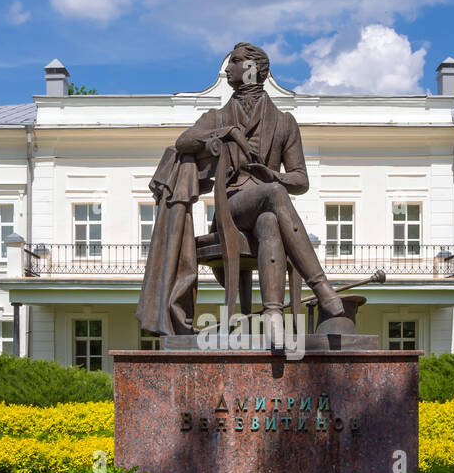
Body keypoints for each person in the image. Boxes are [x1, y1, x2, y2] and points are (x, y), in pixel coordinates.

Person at [137, 42, 343, 344]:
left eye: (234, 62)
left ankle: (272, 313)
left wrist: (271, 174)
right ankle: (321, 286)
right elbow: (184, 141)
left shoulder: (285, 122)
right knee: (273, 195)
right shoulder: (218, 117)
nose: (227, 68)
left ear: (251, 69)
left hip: (268, 208)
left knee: (270, 220)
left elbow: (301, 180)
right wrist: (227, 133)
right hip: (230, 210)